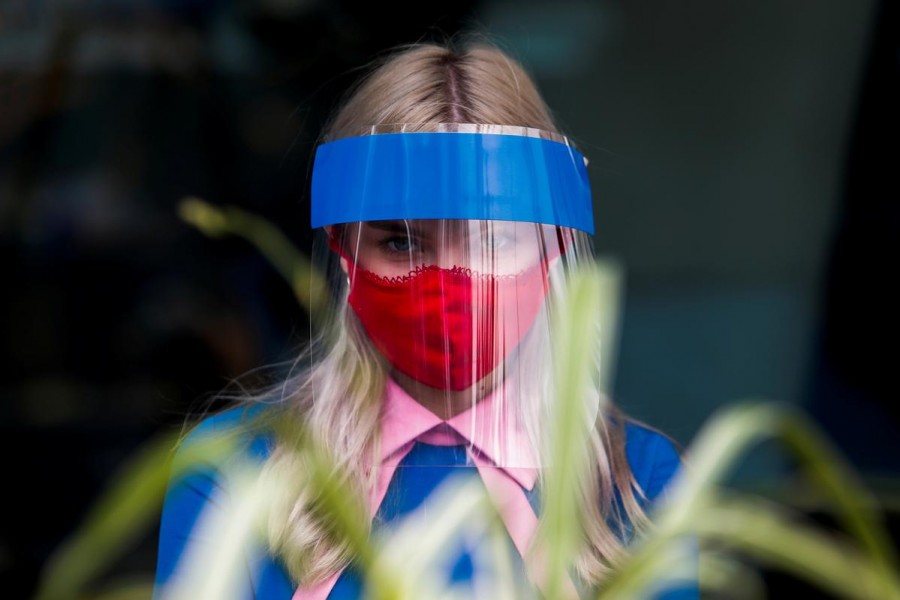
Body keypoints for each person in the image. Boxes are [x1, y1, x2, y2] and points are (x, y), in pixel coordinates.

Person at [154, 40, 695, 599]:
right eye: (402, 242)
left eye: (492, 240)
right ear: (344, 252)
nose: (449, 281)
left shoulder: (636, 481)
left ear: (550, 253)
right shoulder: (236, 470)